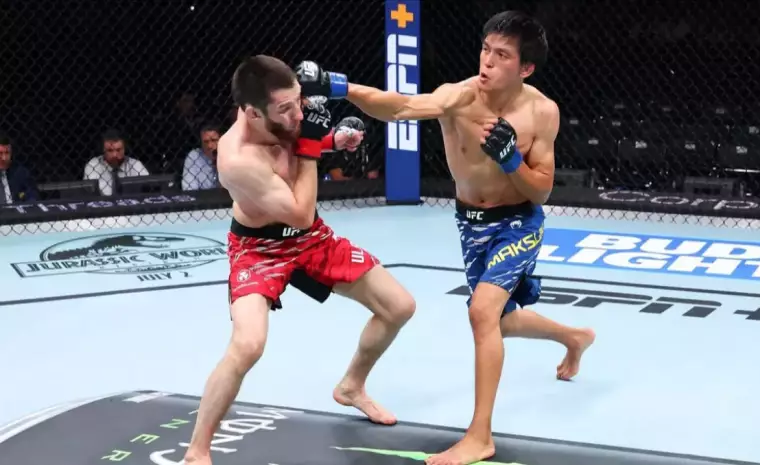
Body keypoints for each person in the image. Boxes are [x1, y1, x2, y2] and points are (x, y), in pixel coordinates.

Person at [296, 11, 596, 465]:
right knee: (500, 321)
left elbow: (542, 190)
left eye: (502, 55)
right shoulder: (460, 97)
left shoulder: (542, 112)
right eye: (486, 49)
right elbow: (398, 106)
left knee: (482, 313)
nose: (487, 61)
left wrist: (511, 160)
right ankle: (574, 336)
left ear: (526, 68)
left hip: (518, 221)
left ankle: (480, 436)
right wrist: (339, 87)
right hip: (470, 224)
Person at [183, 55, 415, 465]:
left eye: (299, 101)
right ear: (253, 113)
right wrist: (310, 145)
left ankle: (351, 387)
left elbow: (297, 148)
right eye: (286, 109)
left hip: (310, 241)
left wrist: (332, 140)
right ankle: (197, 452)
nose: (298, 114)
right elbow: (300, 211)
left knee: (399, 306)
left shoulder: (281, 113)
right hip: (259, 249)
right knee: (248, 345)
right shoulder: (236, 160)